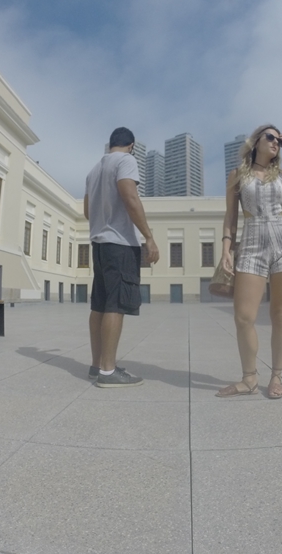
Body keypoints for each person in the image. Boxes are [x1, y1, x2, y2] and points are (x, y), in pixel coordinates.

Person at [216, 124, 282, 398]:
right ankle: (249, 379)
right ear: (256, 141)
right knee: (244, 317)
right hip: (251, 245)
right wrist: (226, 249)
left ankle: (276, 376)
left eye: (280, 140)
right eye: (271, 137)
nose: (276, 142)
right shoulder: (237, 175)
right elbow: (230, 217)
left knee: (280, 314)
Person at [84, 127, 159, 387]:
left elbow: (87, 211)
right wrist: (148, 236)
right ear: (131, 146)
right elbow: (130, 196)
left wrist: (104, 218)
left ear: (110, 144)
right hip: (120, 244)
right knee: (116, 304)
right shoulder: (126, 160)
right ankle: (108, 371)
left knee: (99, 305)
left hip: (99, 244)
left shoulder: (94, 171)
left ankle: (97, 365)